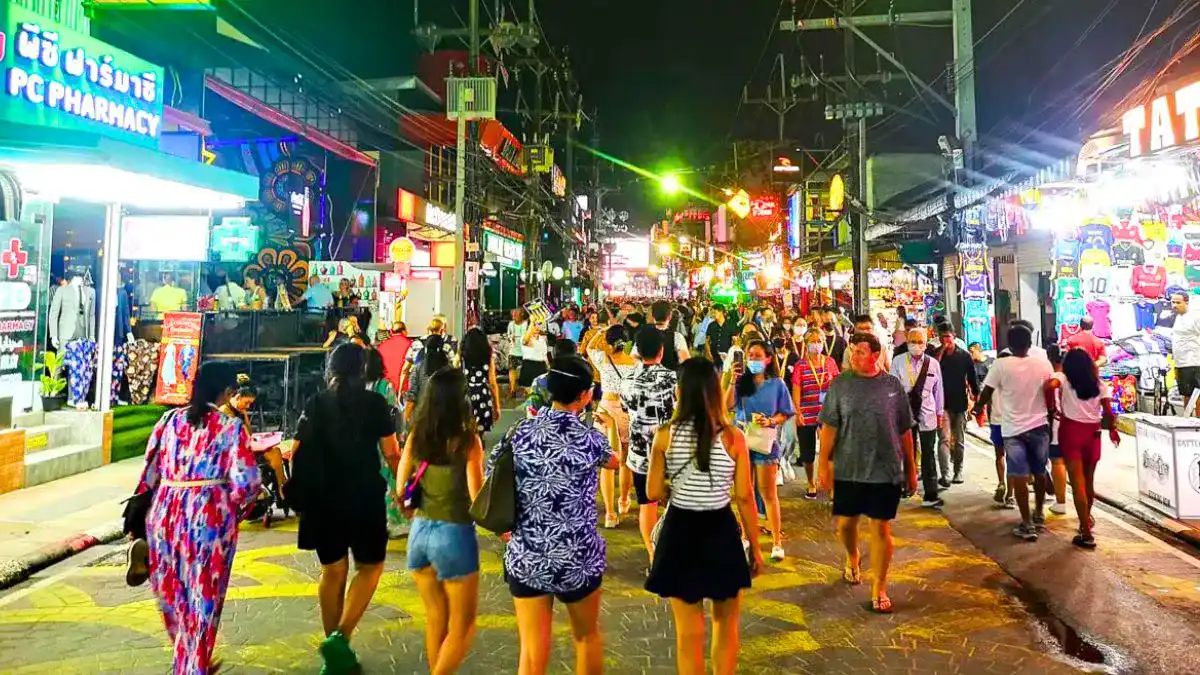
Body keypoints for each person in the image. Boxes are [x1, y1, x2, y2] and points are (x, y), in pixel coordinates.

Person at [135, 361, 259, 674]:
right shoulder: (230, 428)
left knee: (174, 598)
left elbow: (148, 474)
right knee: (203, 599)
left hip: (164, 517)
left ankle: (188, 658)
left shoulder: (168, 421)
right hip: (209, 523)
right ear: (228, 392)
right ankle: (194, 665)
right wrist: (235, 511)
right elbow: (247, 484)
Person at [498, 355, 620, 675]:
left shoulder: (520, 432)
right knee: (586, 637)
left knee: (532, 650)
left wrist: (507, 531)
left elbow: (494, 478)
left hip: (529, 554)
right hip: (577, 555)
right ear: (583, 396)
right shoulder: (590, 438)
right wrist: (609, 429)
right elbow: (615, 462)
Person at [647, 357, 763, 675]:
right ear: (715, 390)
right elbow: (744, 497)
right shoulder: (733, 437)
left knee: (688, 636)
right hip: (720, 532)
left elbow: (654, 492)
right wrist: (756, 546)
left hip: (679, 533)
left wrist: (676, 482)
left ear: (679, 391)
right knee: (726, 629)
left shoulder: (664, 435)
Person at [289, 344, 400, 673]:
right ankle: (340, 638)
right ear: (361, 370)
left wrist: (300, 492)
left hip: (323, 502)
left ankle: (333, 652)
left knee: (332, 572)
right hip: (363, 498)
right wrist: (405, 489)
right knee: (371, 567)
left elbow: (296, 450)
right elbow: (392, 454)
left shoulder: (316, 403)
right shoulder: (375, 403)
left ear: (331, 368)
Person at [818, 332, 917, 614]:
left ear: (876, 354)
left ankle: (879, 587)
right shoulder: (840, 385)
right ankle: (852, 557)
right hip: (849, 467)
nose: (854, 357)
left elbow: (904, 429)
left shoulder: (892, 386)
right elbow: (829, 426)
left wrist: (911, 468)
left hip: (885, 468)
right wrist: (823, 463)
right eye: (853, 352)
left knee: (881, 528)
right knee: (845, 525)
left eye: (861, 352)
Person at [397, 367, 485, 673]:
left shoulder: (415, 436)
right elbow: (477, 497)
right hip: (454, 535)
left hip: (419, 534)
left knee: (436, 619)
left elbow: (400, 487)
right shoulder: (467, 441)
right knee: (463, 627)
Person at [971, 325, 1054, 542]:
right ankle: (1039, 514)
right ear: (1029, 344)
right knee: (1039, 472)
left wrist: (978, 408)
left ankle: (1027, 523)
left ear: (1009, 344)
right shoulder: (1043, 364)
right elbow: (1051, 391)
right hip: (1039, 427)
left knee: (1018, 476)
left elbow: (986, 391)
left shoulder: (1000, 364)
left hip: (1013, 430)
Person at [725, 339, 795, 561]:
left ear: (768, 358)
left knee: (768, 493)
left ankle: (776, 540)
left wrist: (771, 421)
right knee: (744, 493)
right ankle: (746, 535)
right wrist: (731, 381)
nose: (753, 360)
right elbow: (727, 406)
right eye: (750, 356)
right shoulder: (740, 382)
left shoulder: (777, 385)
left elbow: (786, 412)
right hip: (741, 441)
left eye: (757, 356)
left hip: (766, 442)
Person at [1046, 347, 1120, 549]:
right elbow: (1108, 413)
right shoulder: (1100, 385)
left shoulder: (1063, 379)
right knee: (1089, 481)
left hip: (1071, 432)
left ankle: (1086, 532)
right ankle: (1086, 520)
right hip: (1093, 435)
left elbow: (1048, 385)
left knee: (1077, 482)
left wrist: (1052, 408)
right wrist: (1113, 430)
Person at [621, 328, 678, 564]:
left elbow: (627, 410)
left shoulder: (627, 380)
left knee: (647, 504)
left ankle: (653, 555)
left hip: (639, 452)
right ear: (661, 351)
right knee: (675, 502)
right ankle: (673, 549)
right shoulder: (672, 378)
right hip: (670, 451)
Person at [587, 324, 637, 527]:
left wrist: (600, 332)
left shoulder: (603, 360)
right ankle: (624, 499)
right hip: (626, 411)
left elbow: (589, 348)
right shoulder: (635, 363)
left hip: (605, 410)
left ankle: (609, 514)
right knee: (625, 459)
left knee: (606, 464)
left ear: (609, 342)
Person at [891, 328, 945, 508]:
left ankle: (931, 493)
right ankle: (907, 485)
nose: (916, 345)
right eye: (913, 341)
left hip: (927, 414)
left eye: (920, 341)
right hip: (904, 413)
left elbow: (939, 392)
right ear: (907, 341)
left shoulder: (933, 364)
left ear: (926, 343)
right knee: (907, 452)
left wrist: (939, 414)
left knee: (929, 453)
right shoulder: (898, 362)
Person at [792, 328, 839, 499]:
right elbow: (796, 389)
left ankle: (832, 486)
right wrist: (797, 412)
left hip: (828, 413)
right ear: (806, 344)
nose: (816, 344)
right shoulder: (800, 365)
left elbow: (837, 386)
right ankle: (811, 483)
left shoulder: (830, 362)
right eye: (812, 341)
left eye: (819, 340)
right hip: (807, 413)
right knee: (808, 451)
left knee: (832, 450)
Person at [364, 348, 407, 539]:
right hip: (383, 439)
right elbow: (395, 415)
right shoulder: (385, 386)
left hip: (360, 441)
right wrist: (401, 437)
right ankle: (389, 520)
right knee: (388, 478)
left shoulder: (352, 386)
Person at [935, 324, 980, 485]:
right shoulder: (936, 355)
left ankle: (958, 471)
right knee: (944, 439)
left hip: (960, 403)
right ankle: (945, 474)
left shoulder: (964, 356)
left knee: (959, 439)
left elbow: (973, 379)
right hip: (942, 404)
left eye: (948, 336)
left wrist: (977, 400)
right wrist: (939, 355)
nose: (945, 340)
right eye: (942, 337)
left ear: (954, 336)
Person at [459, 327, 502, 435]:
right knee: (480, 432)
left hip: (465, 393)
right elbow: (492, 383)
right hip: (483, 394)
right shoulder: (488, 356)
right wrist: (496, 406)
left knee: (465, 431)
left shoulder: (461, 357)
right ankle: (479, 448)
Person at [1044, 345, 1071, 517]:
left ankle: (1061, 501)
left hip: (1058, 425)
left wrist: (1051, 409)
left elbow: (1050, 387)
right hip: (1077, 426)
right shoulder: (1076, 378)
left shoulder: (1056, 378)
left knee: (1057, 461)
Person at [405, 335, 451, 423]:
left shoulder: (418, 369)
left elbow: (412, 397)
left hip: (422, 419)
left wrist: (405, 421)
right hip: (446, 420)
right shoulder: (450, 370)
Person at [638, 299, 690, 369]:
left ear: (653, 316)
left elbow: (634, 358)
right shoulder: (677, 337)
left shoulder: (642, 334)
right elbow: (685, 363)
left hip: (645, 377)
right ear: (670, 316)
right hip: (669, 377)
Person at [1171, 291, 1200, 416]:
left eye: (1178, 302)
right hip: (1181, 362)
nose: (1175, 305)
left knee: (1197, 394)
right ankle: (1187, 421)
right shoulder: (1178, 317)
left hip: (1194, 361)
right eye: (1173, 302)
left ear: (1186, 302)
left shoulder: (1195, 316)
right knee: (1185, 393)